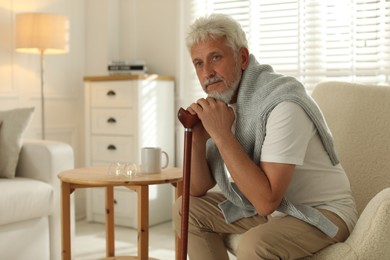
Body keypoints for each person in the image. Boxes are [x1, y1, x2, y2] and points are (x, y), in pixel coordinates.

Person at [173, 13, 358, 260]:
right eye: (198, 63)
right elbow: (196, 189)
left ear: (242, 58)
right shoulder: (223, 105)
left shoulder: (282, 104)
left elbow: (267, 201)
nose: (207, 72)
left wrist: (221, 134)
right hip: (270, 210)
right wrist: (197, 138)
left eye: (215, 57)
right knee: (185, 209)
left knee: (255, 245)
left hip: (322, 211)